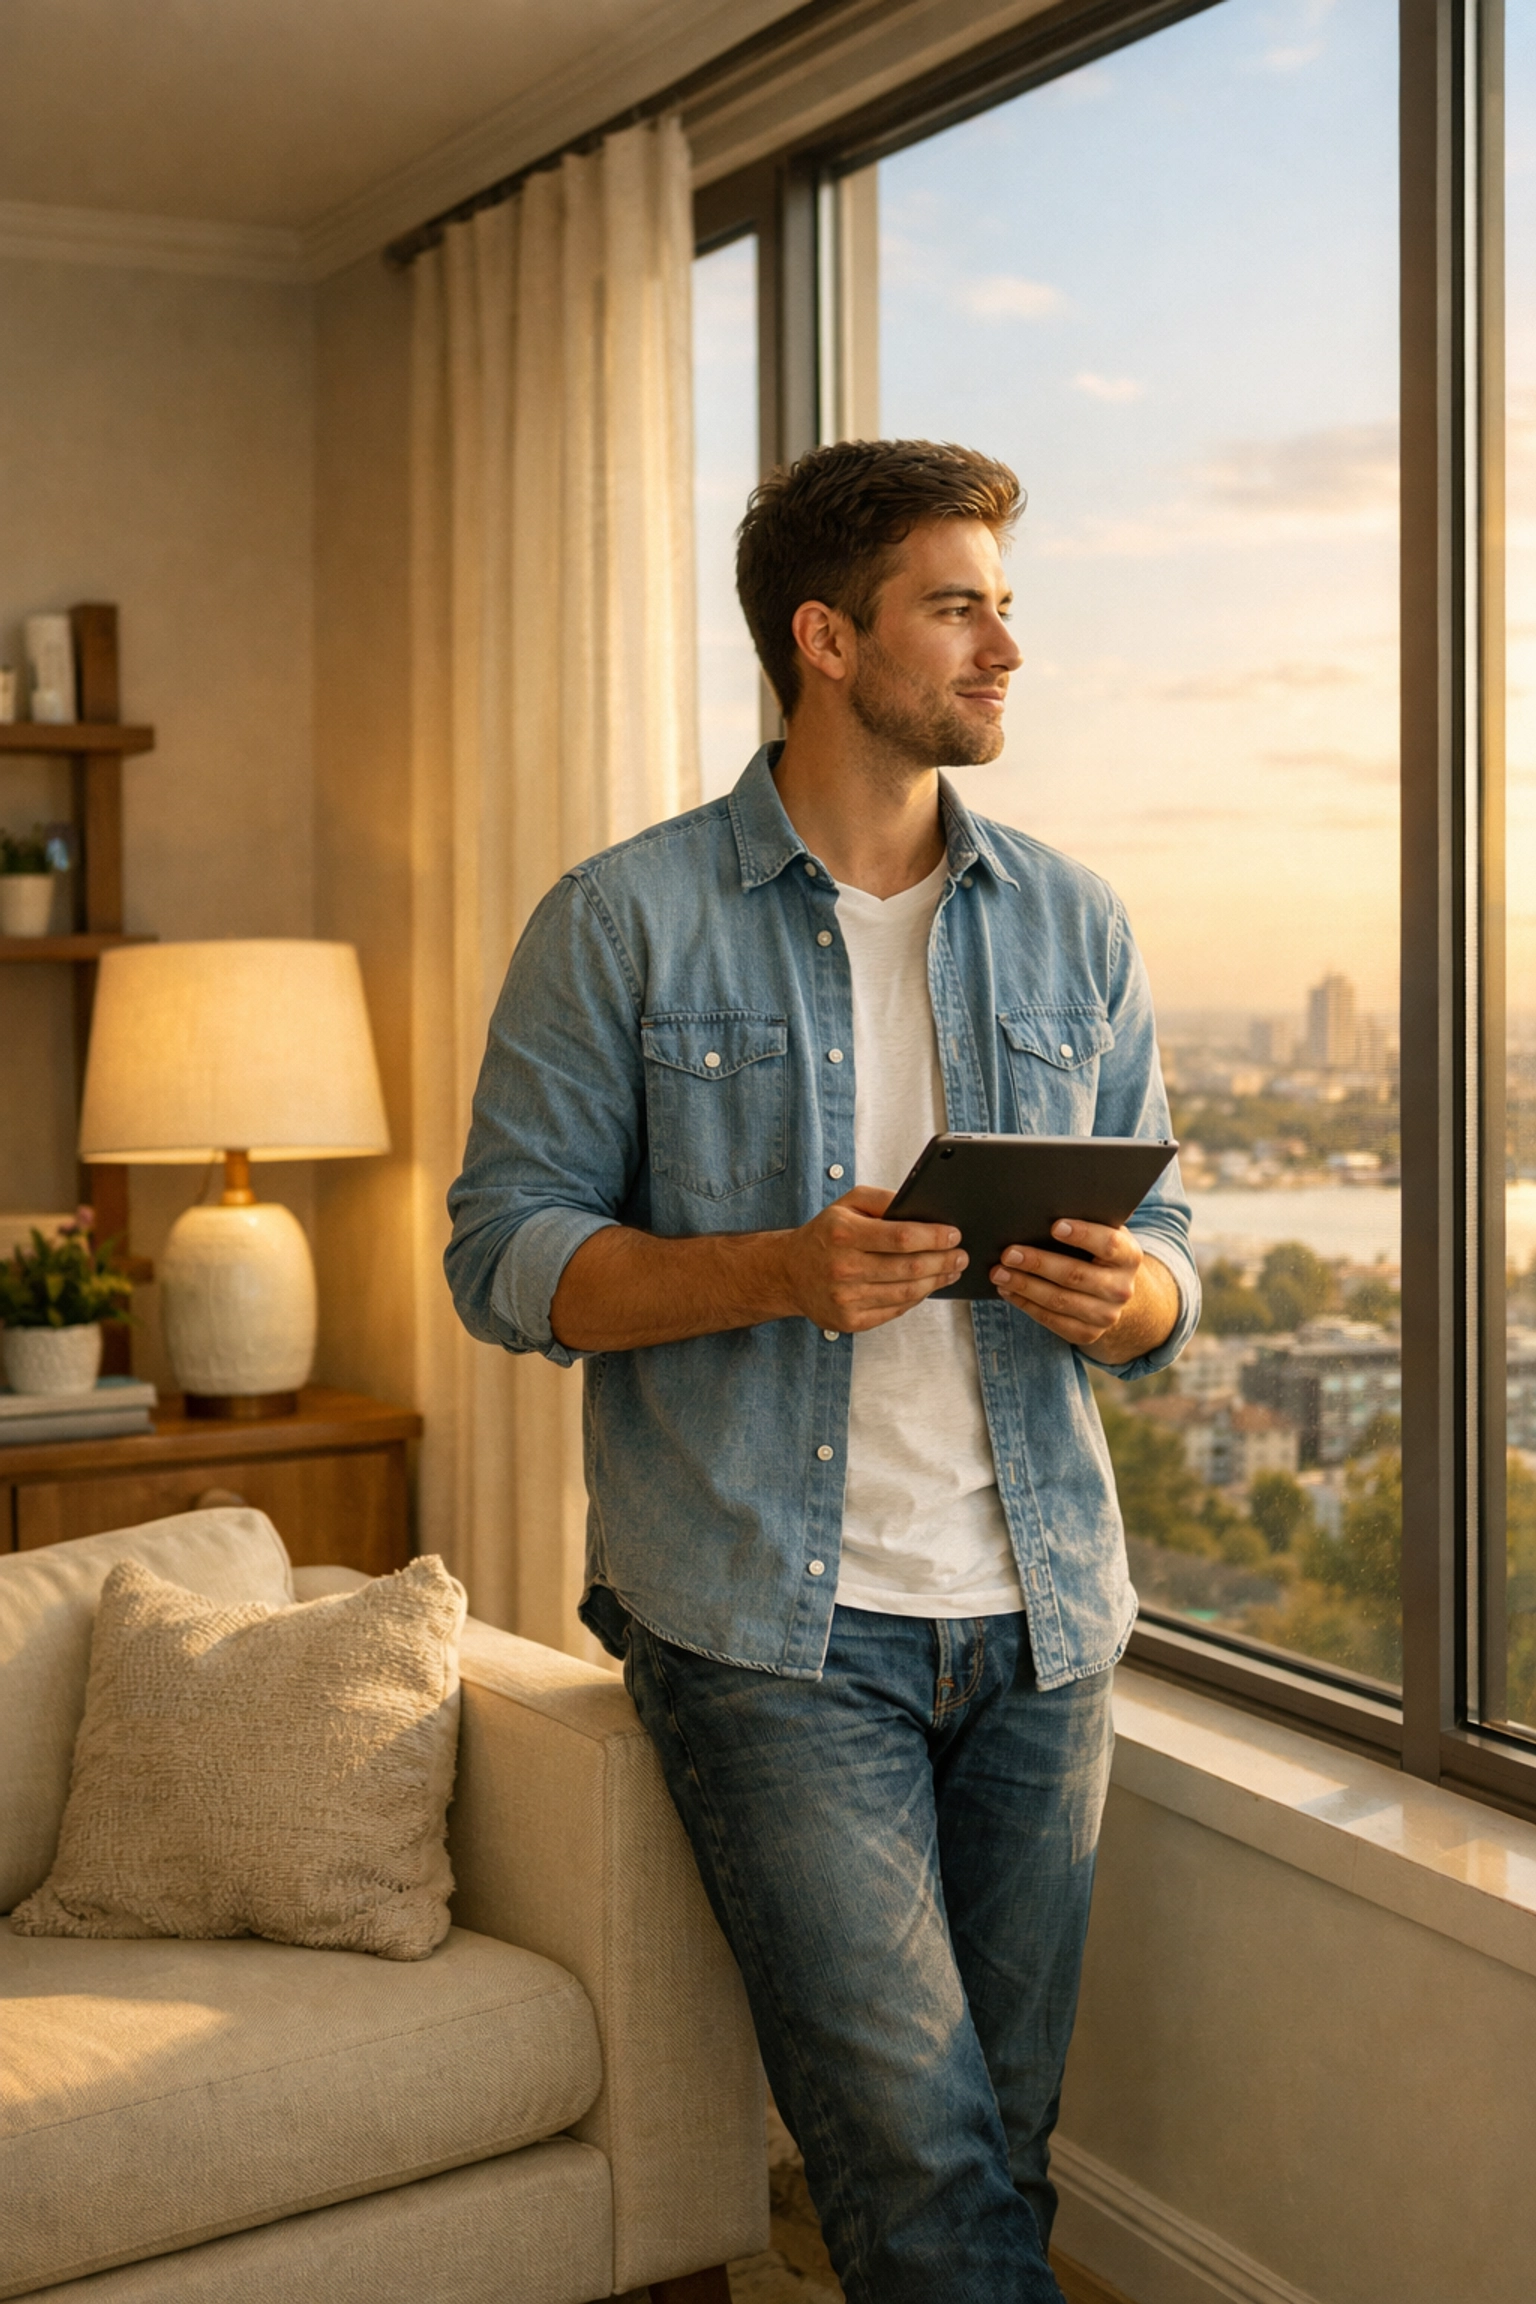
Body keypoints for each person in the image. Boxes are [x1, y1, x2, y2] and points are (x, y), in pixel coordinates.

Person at [446, 438, 1198, 2304]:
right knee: (924, 2175)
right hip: (772, 1634)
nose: (1006, 646)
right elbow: (502, 1256)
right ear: (828, 639)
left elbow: (1171, 1238)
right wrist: (777, 1270)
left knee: (992, 2153)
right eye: (961, 605)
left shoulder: (1076, 922)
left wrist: (1139, 1305)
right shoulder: (622, 919)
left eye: (1006, 606)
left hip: (1042, 1619)